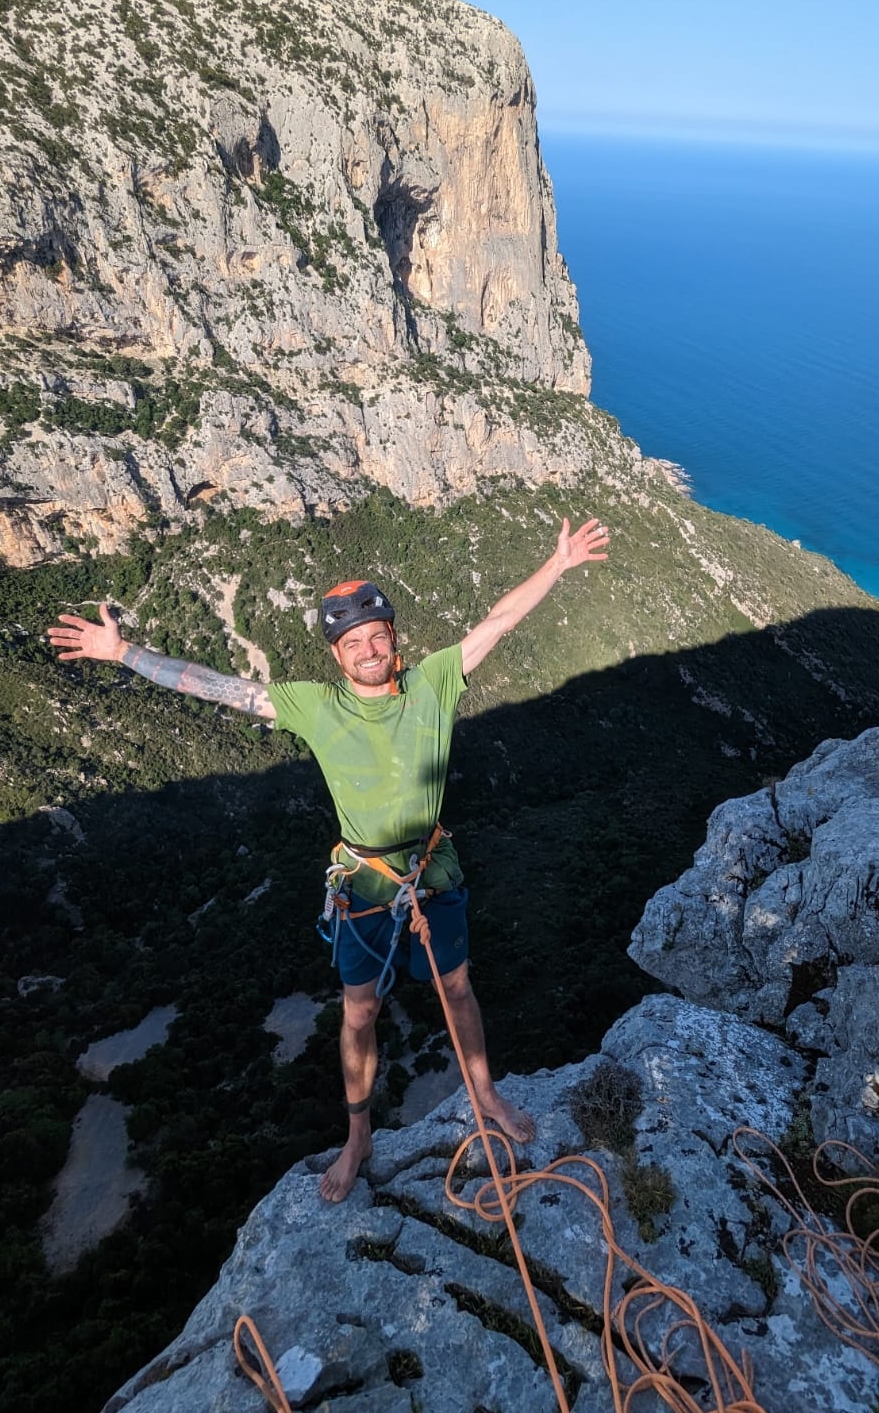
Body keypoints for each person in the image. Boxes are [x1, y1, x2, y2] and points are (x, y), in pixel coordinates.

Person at [48, 515, 610, 1201]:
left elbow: (498, 621)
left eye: (379, 635)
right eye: (354, 641)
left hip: (434, 872)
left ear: (394, 641)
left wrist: (558, 565)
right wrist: (124, 652)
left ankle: (485, 1094)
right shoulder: (313, 708)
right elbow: (214, 684)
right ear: (336, 656)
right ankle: (358, 1135)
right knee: (358, 1014)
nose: (370, 648)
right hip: (366, 883)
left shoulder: (434, 683)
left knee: (456, 987)